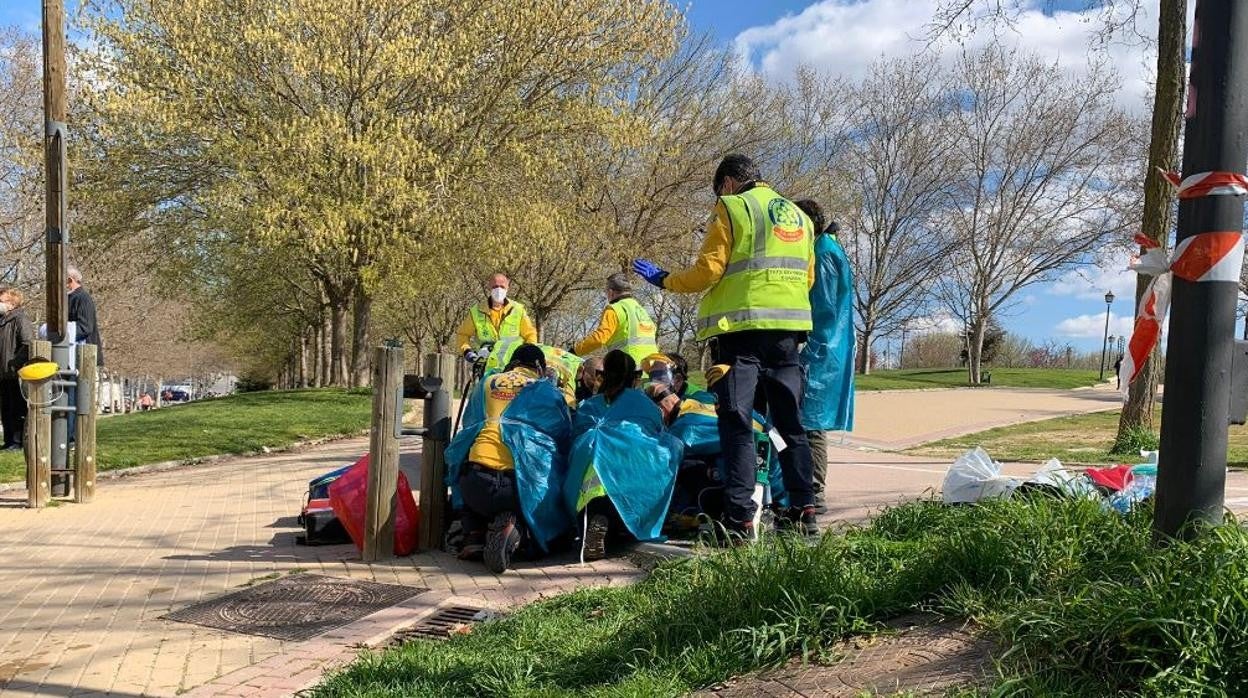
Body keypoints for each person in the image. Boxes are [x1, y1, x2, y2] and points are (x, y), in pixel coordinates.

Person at [633, 154, 818, 540]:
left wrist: (663, 279)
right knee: (789, 427)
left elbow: (708, 270)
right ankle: (802, 510)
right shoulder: (799, 218)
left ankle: (739, 518)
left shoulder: (732, 207)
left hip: (741, 335)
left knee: (736, 425)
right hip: (788, 336)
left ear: (729, 182)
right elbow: (809, 277)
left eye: (718, 190)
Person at [566, 350, 682, 560]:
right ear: (634, 378)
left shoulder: (590, 405)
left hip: (592, 486)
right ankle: (617, 526)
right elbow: (657, 431)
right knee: (671, 446)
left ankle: (597, 522)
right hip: (633, 481)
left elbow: (575, 434)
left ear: (603, 375)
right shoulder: (644, 402)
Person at [457, 344, 559, 573]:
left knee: (461, 470)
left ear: (512, 363)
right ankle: (515, 530)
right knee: (544, 497)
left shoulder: (487, 382)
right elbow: (561, 431)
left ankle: (473, 535)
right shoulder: (545, 390)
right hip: (520, 486)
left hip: (475, 482)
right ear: (539, 367)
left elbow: (470, 423)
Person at [794, 199, 856, 514]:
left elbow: (824, 307)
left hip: (821, 348)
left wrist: (801, 338)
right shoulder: (826, 248)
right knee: (807, 419)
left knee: (811, 421)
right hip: (825, 346)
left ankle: (814, 491)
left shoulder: (821, 255)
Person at [571, 273, 659, 363]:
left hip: (628, 367)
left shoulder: (614, 309)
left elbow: (599, 338)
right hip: (652, 367)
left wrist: (575, 351)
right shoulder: (640, 309)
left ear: (610, 292)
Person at [455, 273, 538, 367]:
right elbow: (462, 334)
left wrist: (528, 352)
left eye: (502, 287)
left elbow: (530, 334)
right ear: (489, 288)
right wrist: (467, 351)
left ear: (507, 288)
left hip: (513, 363)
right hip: (485, 363)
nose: (499, 290)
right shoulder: (476, 311)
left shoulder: (518, 310)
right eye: (495, 286)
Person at [0, 288, 33, 450]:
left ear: (12, 304)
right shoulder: (3, 321)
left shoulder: (20, 319)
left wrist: (15, 363)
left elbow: (27, 343)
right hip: (3, 373)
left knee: (17, 408)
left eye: (2, 301)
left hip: (15, 372)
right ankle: (9, 441)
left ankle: (18, 441)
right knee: (6, 409)